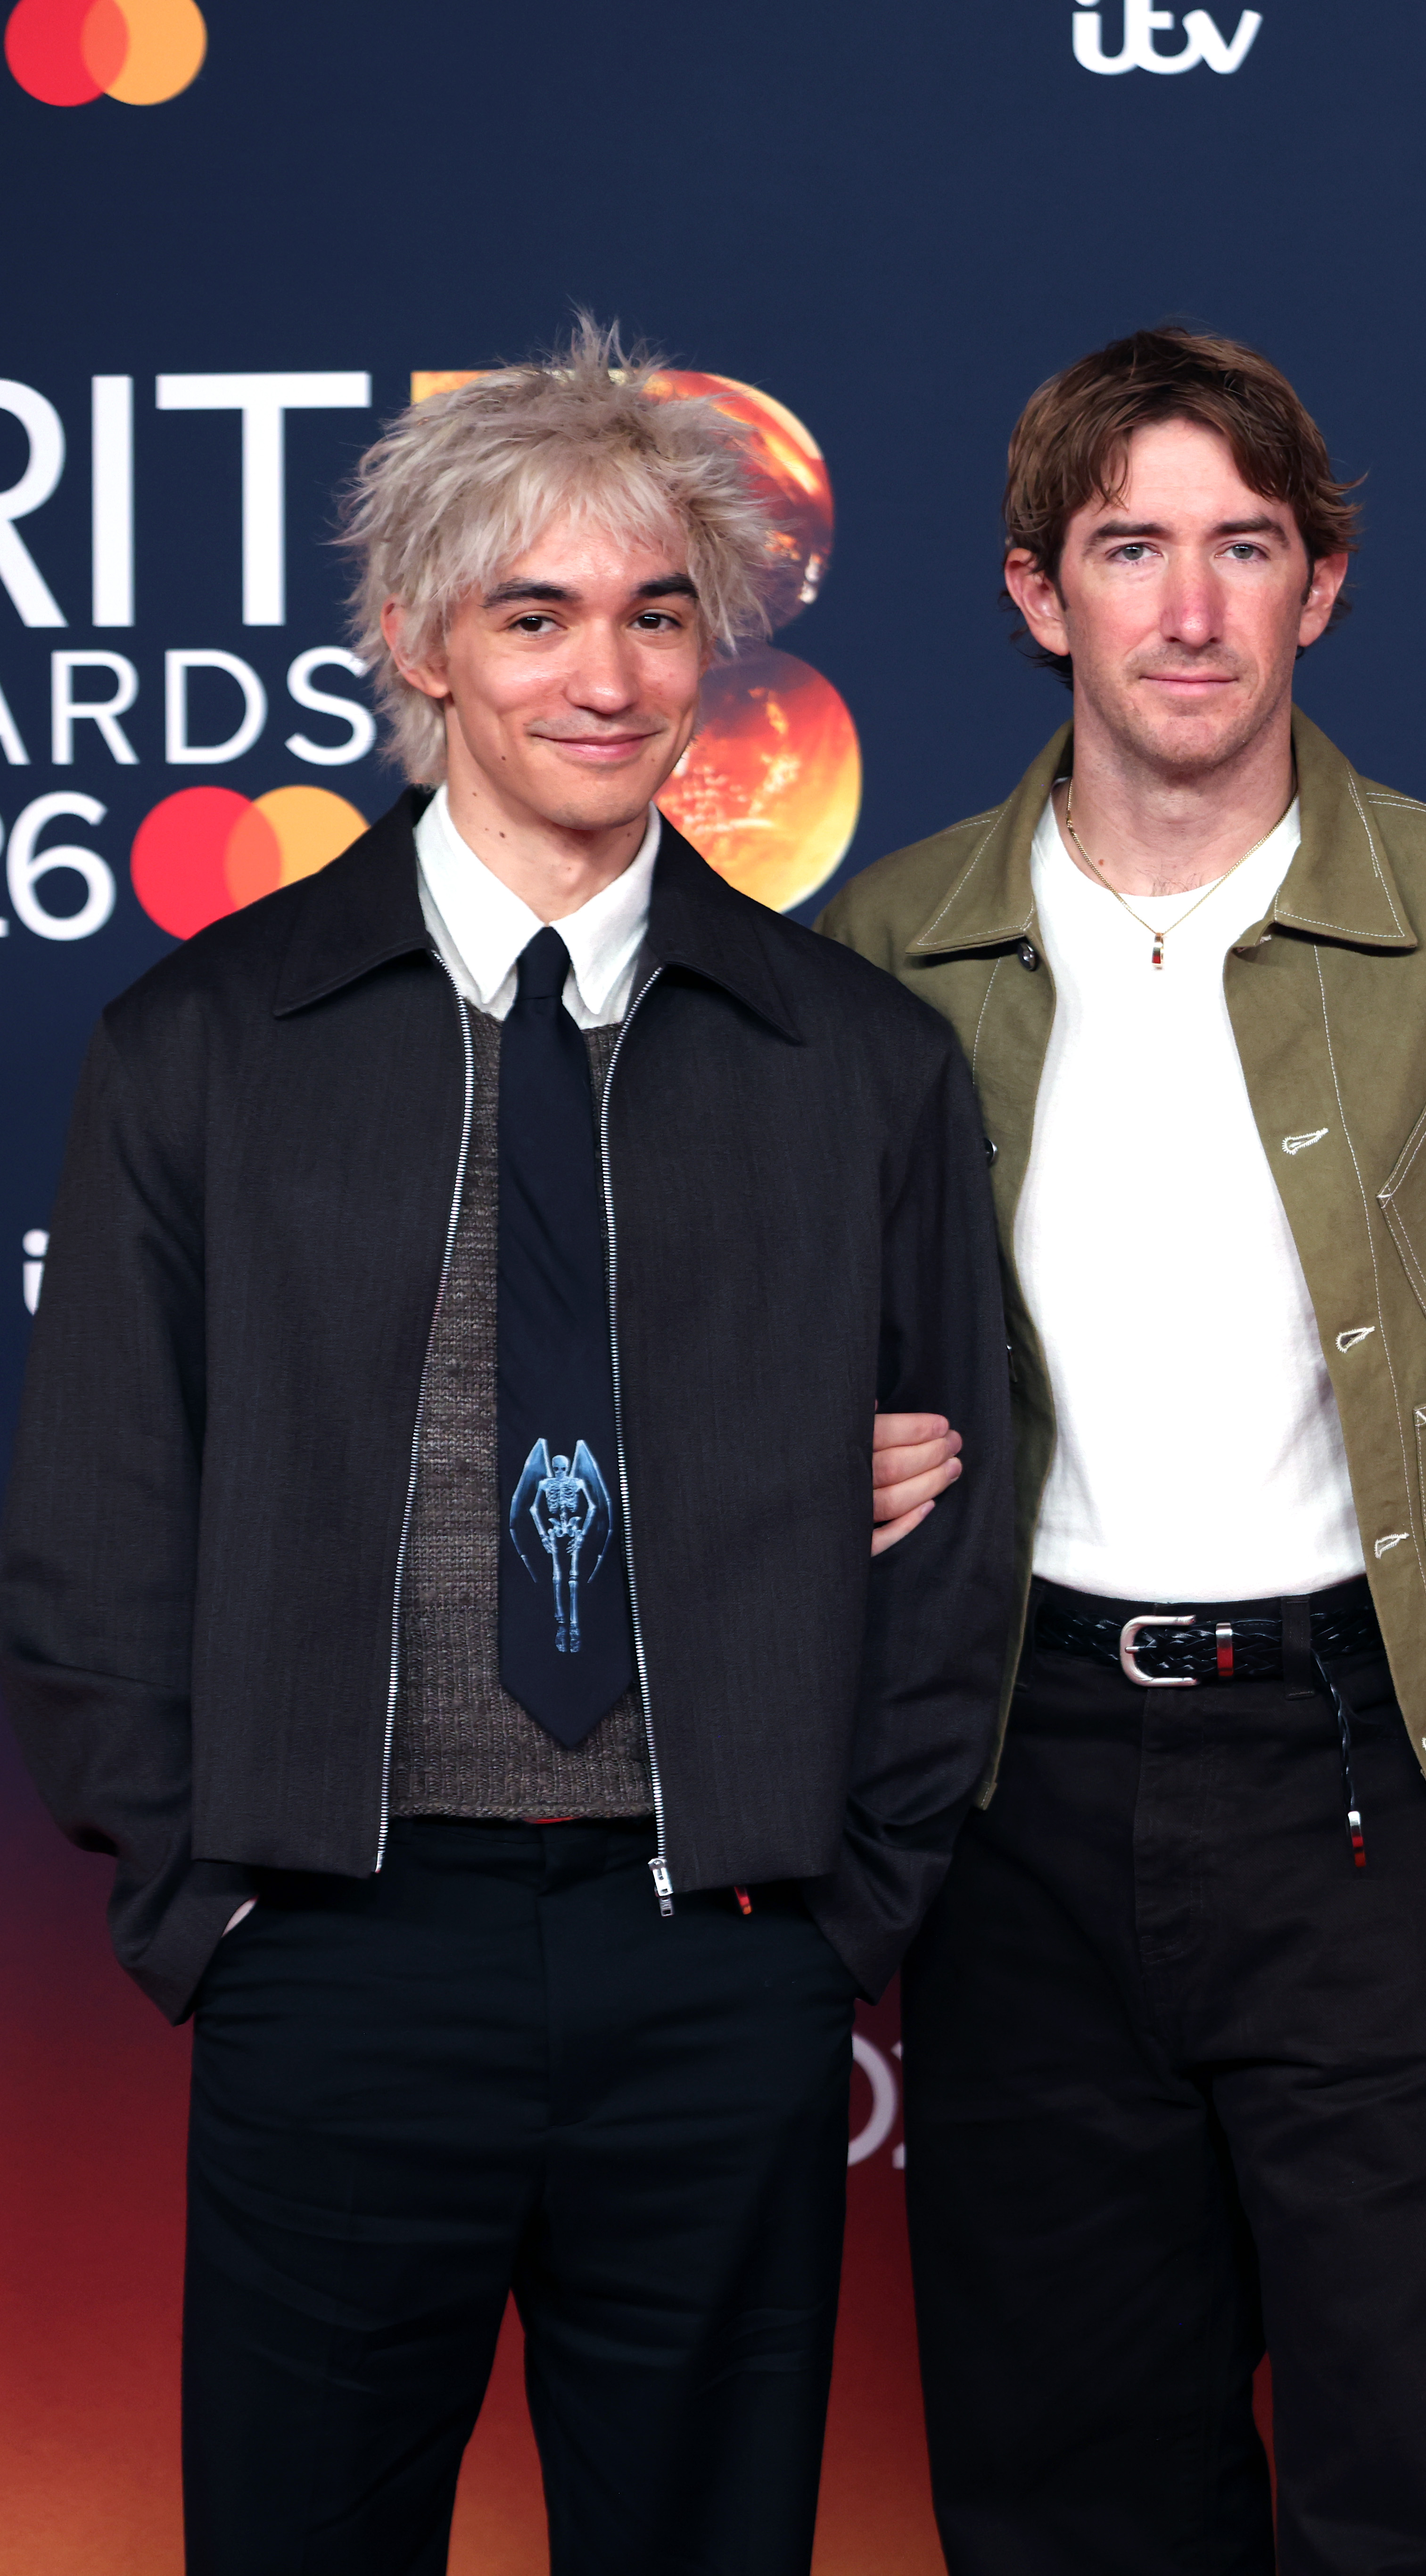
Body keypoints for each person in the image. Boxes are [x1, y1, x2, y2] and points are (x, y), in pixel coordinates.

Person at [0, 324, 1014, 2574]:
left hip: (714, 1960)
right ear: (416, 643)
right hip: (335, 1949)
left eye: (655, 613)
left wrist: (833, 1910)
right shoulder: (207, 1045)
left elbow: (962, 1527)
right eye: (534, 613)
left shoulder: (853, 1062)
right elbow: (93, 1532)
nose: (606, 675)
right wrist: (215, 1908)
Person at [820, 325, 1426, 2576]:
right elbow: (743, 1380)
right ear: (1037, 594)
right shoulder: (880, 957)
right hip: (1015, 1782)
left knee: (1408, 2477)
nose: (1189, 609)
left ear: (1324, 581)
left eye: (1244, 546)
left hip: (1381, 1773)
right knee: (1072, 2480)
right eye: (1130, 549)